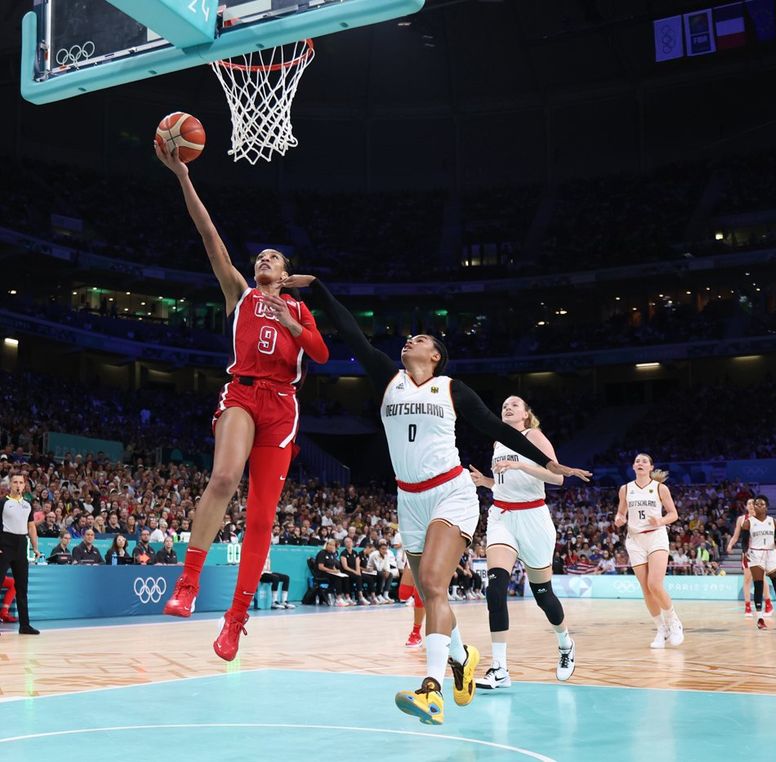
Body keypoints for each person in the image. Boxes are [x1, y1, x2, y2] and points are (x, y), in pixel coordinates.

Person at [284, 275, 590, 726]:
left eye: (422, 339)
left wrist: (552, 464)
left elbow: (497, 429)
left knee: (430, 581)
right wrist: (319, 289)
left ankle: (432, 691)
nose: (411, 340)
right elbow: (350, 330)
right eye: (411, 337)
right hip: (408, 500)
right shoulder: (388, 380)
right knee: (432, 591)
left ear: (435, 356)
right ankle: (463, 656)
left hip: (452, 492)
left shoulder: (451, 388)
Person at [155, 143, 329, 662]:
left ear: (287, 272)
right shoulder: (240, 294)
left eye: (273, 257)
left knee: (260, 519)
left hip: (284, 407)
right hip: (242, 392)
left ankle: (235, 620)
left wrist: (290, 314)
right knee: (225, 477)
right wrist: (184, 176)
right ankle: (188, 581)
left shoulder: (298, 309)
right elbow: (209, 235)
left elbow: (319, 353)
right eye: (260, 256)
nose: (263, 260)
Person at [469, 395, 576, 689]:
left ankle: (565, 644)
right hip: (502, 516)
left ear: (526, 414)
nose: (507, 407)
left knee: (543, 596)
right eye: (504, 404)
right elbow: (505, 485)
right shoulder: (497, 442)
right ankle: (500, 669)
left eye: (515, 404)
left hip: (533, 519)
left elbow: (558, 479)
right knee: (496, 588)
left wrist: (522, 467)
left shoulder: (534, 436)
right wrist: (487, 483)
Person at [614, 454, 683, 648]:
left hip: (656, 536)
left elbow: (673, 514)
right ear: (633, 467)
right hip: (634, 540)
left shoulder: (661, 488)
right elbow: (621, 512)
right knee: (645, 588)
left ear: (651, 467)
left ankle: (674, 622)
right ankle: (661, 629)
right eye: (637, 461)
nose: (640, 463)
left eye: (644, 461)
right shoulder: (625, 489)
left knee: (654, 583)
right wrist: (619, 518)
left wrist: (660, 521)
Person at [0, 473, 41, 634]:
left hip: (21, 545)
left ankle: (25, 625)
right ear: (10, 485)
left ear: (25, 485)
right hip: (4, 544)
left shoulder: (28, 504)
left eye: (21, 482)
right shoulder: (3, 502)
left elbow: (31, 527)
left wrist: (35, 548)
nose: (18, 485)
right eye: (15, 482)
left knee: (22, 586)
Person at [742, 496, 776, 630]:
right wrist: (745, 552)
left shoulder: (773, 521)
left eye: (761, 504)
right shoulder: (748, 523)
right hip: (755, 554)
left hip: (771, 553)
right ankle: (759, 618)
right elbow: (744, 541)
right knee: (758, 585)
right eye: (756, 504)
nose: (758, 506)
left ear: (766, 507)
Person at [726, 498, 772, 618]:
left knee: (761, 578)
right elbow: (736, 536)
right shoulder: (741, 519)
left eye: (753, 503)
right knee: (747, 579)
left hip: (760, 552)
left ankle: (768, 603)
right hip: (747, 553)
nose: (751, 505)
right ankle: (747, 606)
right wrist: (730, 544)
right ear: (746, 506)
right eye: (749, 504)